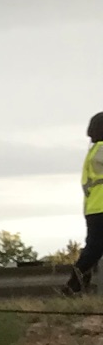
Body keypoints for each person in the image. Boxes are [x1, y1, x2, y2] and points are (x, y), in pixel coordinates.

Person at [65, 113, 103, 294]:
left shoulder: (95, 150)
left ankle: (75, 287)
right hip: (101, 207)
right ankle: (74, 286)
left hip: (95, 208)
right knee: (93, 251)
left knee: (93, 250)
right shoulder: (101, 149)